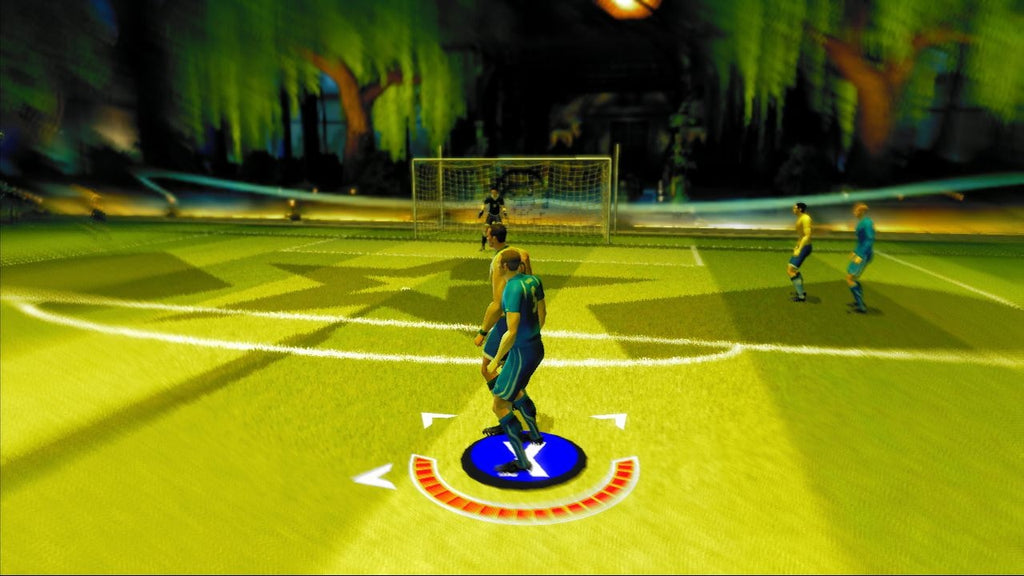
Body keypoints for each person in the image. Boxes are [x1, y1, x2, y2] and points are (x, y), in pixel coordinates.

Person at [473, 222, 541, 445]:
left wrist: (482, 332)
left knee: (488, 368)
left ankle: (507, 414)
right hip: (526, 323)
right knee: (510, 371)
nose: (486, 237)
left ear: (493, 238)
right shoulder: (522, 254)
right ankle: (521, 406)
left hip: (507, 323)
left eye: (488, 235)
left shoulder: (499, 261)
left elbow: (497, 304)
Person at [485, 249, 546, 473]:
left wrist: (496, 361)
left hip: (521, 352)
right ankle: (535, 435)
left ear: (503, 267)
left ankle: (521, 461)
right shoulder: (533, 280)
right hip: (537, 347)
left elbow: (510, 332)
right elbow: (543, 313)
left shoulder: (511, 288)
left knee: (500, 404)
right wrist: (532, 334)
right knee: (518, 390)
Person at [847, 202, 875, 314]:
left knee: (850, 278)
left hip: (864, 254)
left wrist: (861, 255)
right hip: (859, 253)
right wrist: (855, 252)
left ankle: (861, 306)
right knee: (851, 277)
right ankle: (858, 301)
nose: (854, 212)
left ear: (862, 211)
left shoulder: (867, 222)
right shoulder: (861, 223)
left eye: (856, 210)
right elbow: (861, 241)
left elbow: (869, 240)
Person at [787, 202, 812, 302]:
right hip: (802, 246)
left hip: (805, 247)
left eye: (795, 208)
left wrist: (799, 249)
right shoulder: (800, 218)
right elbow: (801, 236)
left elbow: (807, 235)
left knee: (790, 270)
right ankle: (801, 291)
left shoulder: (806, 218)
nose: (793, 209)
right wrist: (797, 246)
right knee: (792, 269)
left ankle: (801, 296)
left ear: (800, 209)